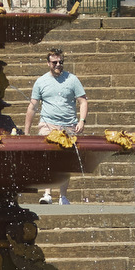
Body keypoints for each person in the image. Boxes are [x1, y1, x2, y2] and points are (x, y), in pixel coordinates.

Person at [23, 47, 89, 204]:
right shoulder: (41, 82)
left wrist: (82, 120)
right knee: (48, 158)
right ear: (48, 63)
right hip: (48, 124)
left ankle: (63, 196)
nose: (58, 64)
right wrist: (26, 131)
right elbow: (32, 107)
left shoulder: (72, 80)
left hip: (69, 125)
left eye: (60, 62)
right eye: (54, 62)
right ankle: (47, 194)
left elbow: (83, 101)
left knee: (65, 161)